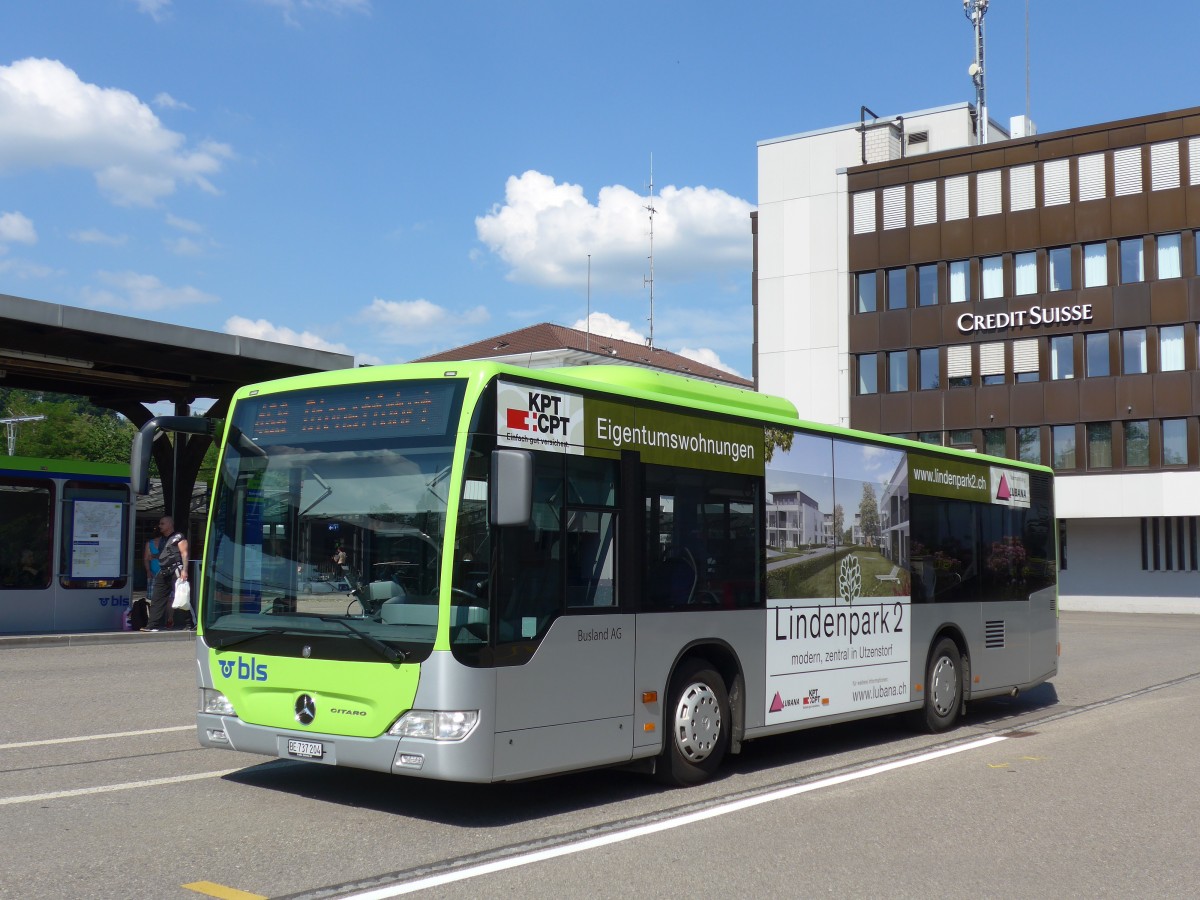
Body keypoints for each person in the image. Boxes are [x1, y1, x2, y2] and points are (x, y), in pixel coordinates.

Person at [145, 516, 188, 632]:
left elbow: (184, 553)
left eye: (162, 524)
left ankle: (190, 623)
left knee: (182, 596)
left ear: (169, 524)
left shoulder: (178, 537)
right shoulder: (163, 539)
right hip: (163, 570)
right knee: (157, 598)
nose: (160, 526)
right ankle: (152, 625)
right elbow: (163, 554)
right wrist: (153, 556)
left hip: (176, 570)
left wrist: (184, 570)